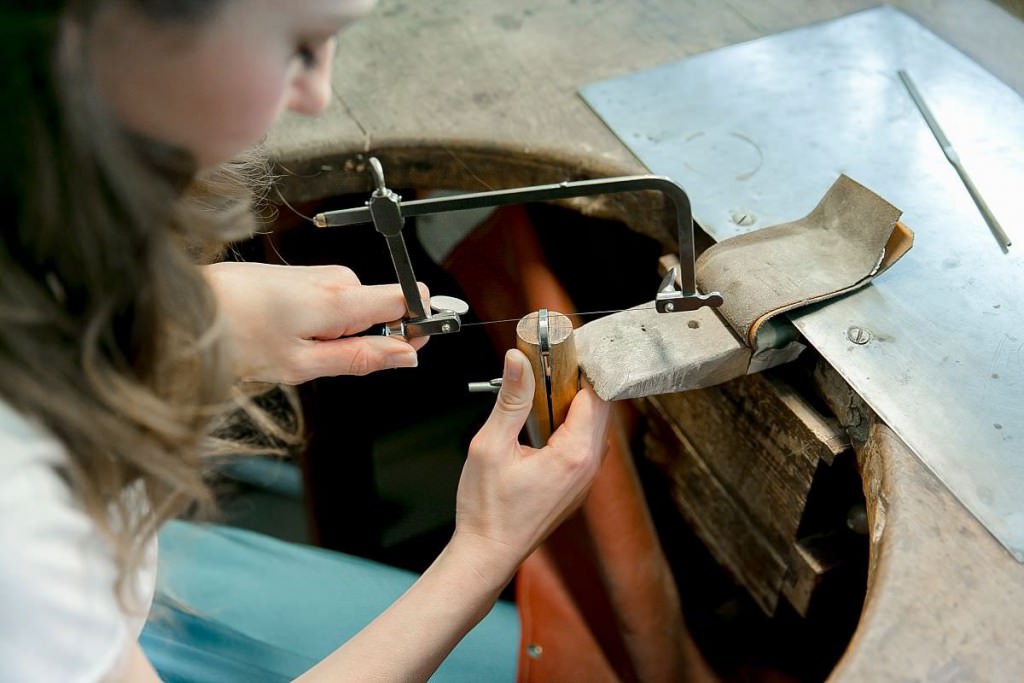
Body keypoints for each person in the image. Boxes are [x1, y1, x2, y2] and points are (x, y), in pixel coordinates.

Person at [0, 1, 611, 681]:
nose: (318, 97)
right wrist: (485, 552)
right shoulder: (21, 514)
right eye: (299, 46)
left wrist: (195, 319)